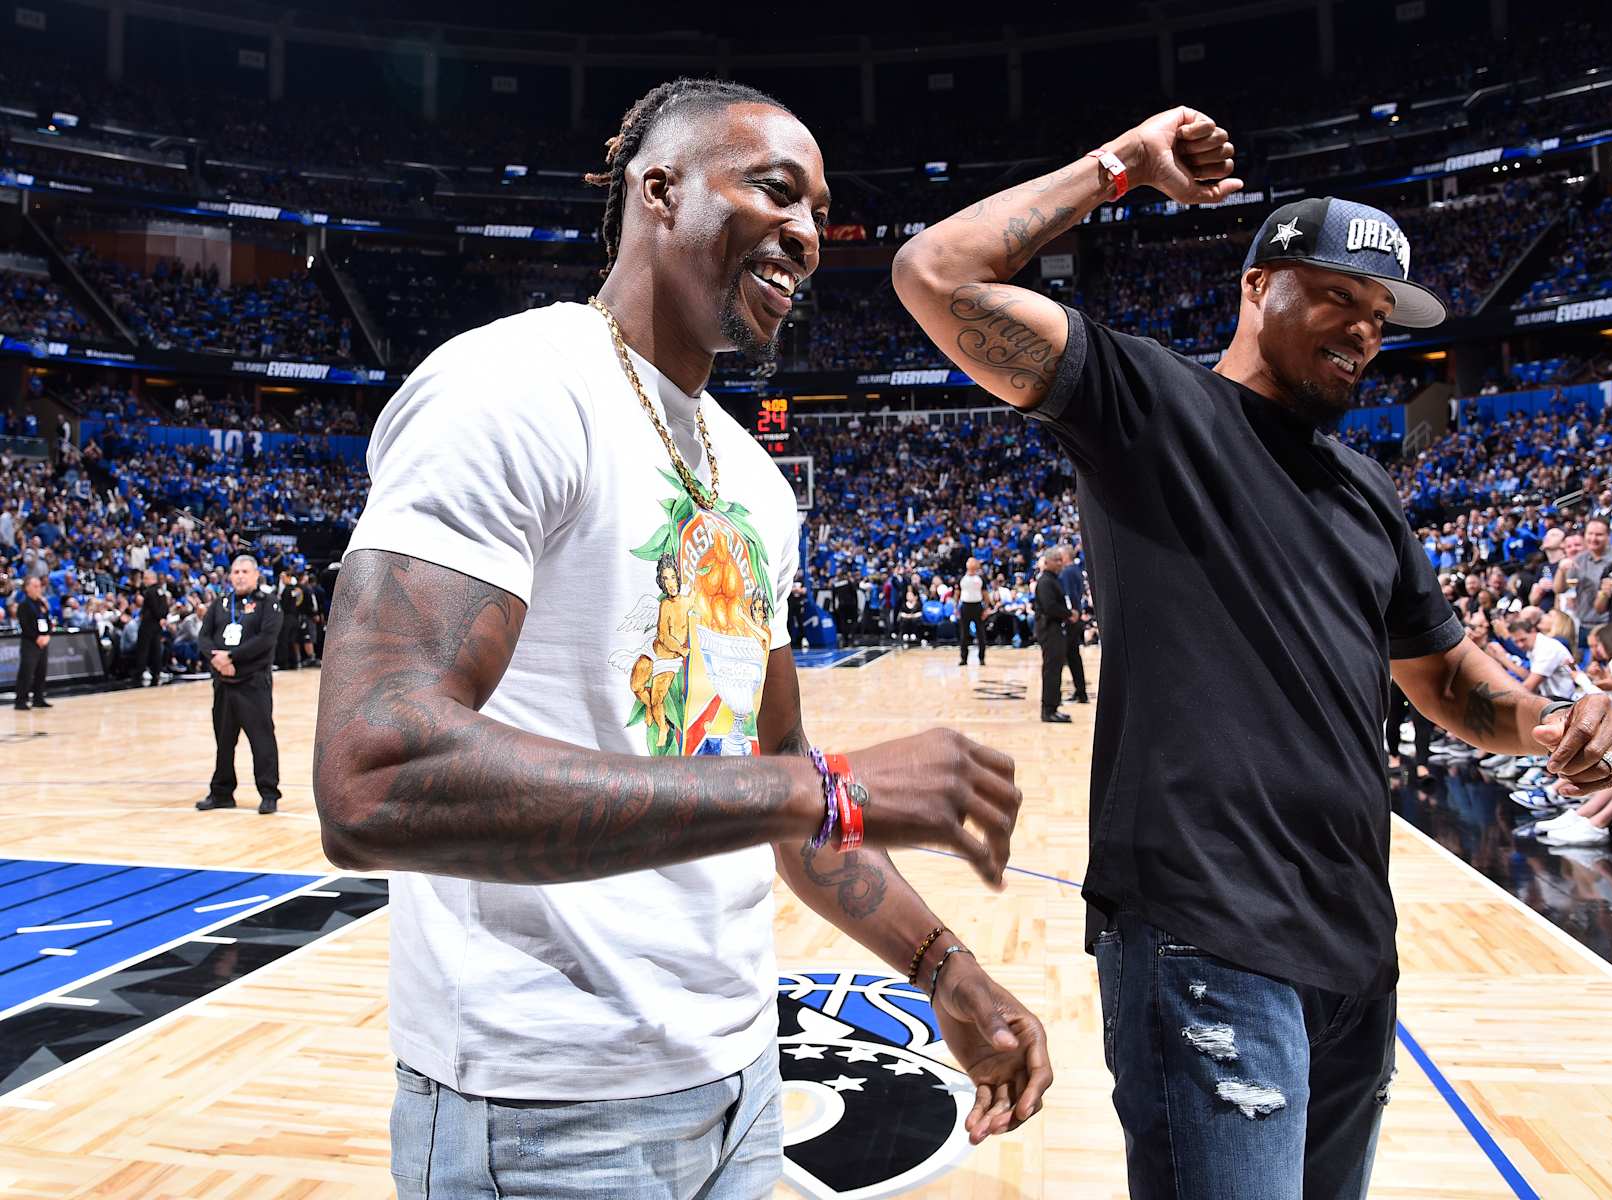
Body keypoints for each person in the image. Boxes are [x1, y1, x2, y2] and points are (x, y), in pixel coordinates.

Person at [310, 78, 1048, 1198]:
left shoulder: (757, 482)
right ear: (658, 190)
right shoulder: (509, 389)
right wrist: (819, 788)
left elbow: (781, 781)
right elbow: (371, 778)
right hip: (544, 1109)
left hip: (740, 1074)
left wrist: (943, 966)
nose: (807, 233)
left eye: (818, 212)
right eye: (775, 190)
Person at [894, 108, 1612, 1198]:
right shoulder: (1152, 407)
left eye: (1378, 314)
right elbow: (935, 274)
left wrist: (1552, 725)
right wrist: (1120, 167)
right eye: (1337, 295)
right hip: (1205, 932)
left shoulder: (1366, 490)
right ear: (1257, 287)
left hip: (1356, 951)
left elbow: (1444, 678)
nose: (1363, 330)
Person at [196, 555, 283, 815]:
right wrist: (218, 660)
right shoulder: (220, 604)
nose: (240, 576)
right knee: (223, 742)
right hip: (223, 683)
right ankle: (221, 792)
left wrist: (233, 658)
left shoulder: (268, 603)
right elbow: (204, 636)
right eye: (236, 572)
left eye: (245, 571)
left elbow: (266, 639)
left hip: (253, 683)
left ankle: (268, 793)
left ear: (256, 575)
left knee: (261, 740)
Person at [1033, 548, 1072, 724]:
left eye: (1060, 559)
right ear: (1047, 562)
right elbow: (1050, 607)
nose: (1060, 563)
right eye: (1056, 560)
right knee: (1051, 669)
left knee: (1056, 668)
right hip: (1048, 629)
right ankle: (1048, 710)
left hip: (1055, 628)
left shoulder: (1053, 580)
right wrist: (1069, 614)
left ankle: (1054, 707)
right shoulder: (1045, 582)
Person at [1058, 542, 1090, 704]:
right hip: (1077, 615)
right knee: (1073, 657)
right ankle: (1081, 693)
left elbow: (1069, 595)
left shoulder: (1067, 572)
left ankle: (1055, 695)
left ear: (1065, 556)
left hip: (1071, 618)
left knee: (1060, 656)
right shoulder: (1076, 570)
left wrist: (1069, 613)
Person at [11, 573, 50, 709]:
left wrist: (47, 635)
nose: (39, 589)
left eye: (39, 586)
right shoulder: (24, 605)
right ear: (27, 588)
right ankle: (21, 701)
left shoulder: (42, 604)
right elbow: (25, 625)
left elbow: (48, 621)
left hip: (43, 642)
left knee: (41, 671)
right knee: (27, 672)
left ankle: (38, 699)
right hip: (30, 643)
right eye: (35, 586)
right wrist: (36, 637)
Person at [134, 567, 170, 686]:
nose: (144, 581)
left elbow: (154, 607)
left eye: (146, 578)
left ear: (152, 579)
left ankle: (140, 672)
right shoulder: (161, 590)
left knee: (143, 650)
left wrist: (159, 617)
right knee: (156, 649)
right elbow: (165, 606)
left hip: (148, 624)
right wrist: (163, 617)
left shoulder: (149, 591)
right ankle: (157, 672)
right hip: (157, 625)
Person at [956, 555, 987, 666]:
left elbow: (985, 595)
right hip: (965, 606)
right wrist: (956, 607)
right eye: (970, 562)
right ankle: (963, 658)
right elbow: (957, 594)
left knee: (981, 634)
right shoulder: (961, 578)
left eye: (974, 562)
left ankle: (981, 658)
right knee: (964, 634)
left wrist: (986, 609)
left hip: (977, 606)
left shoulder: (981, 578)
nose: (972, 564)